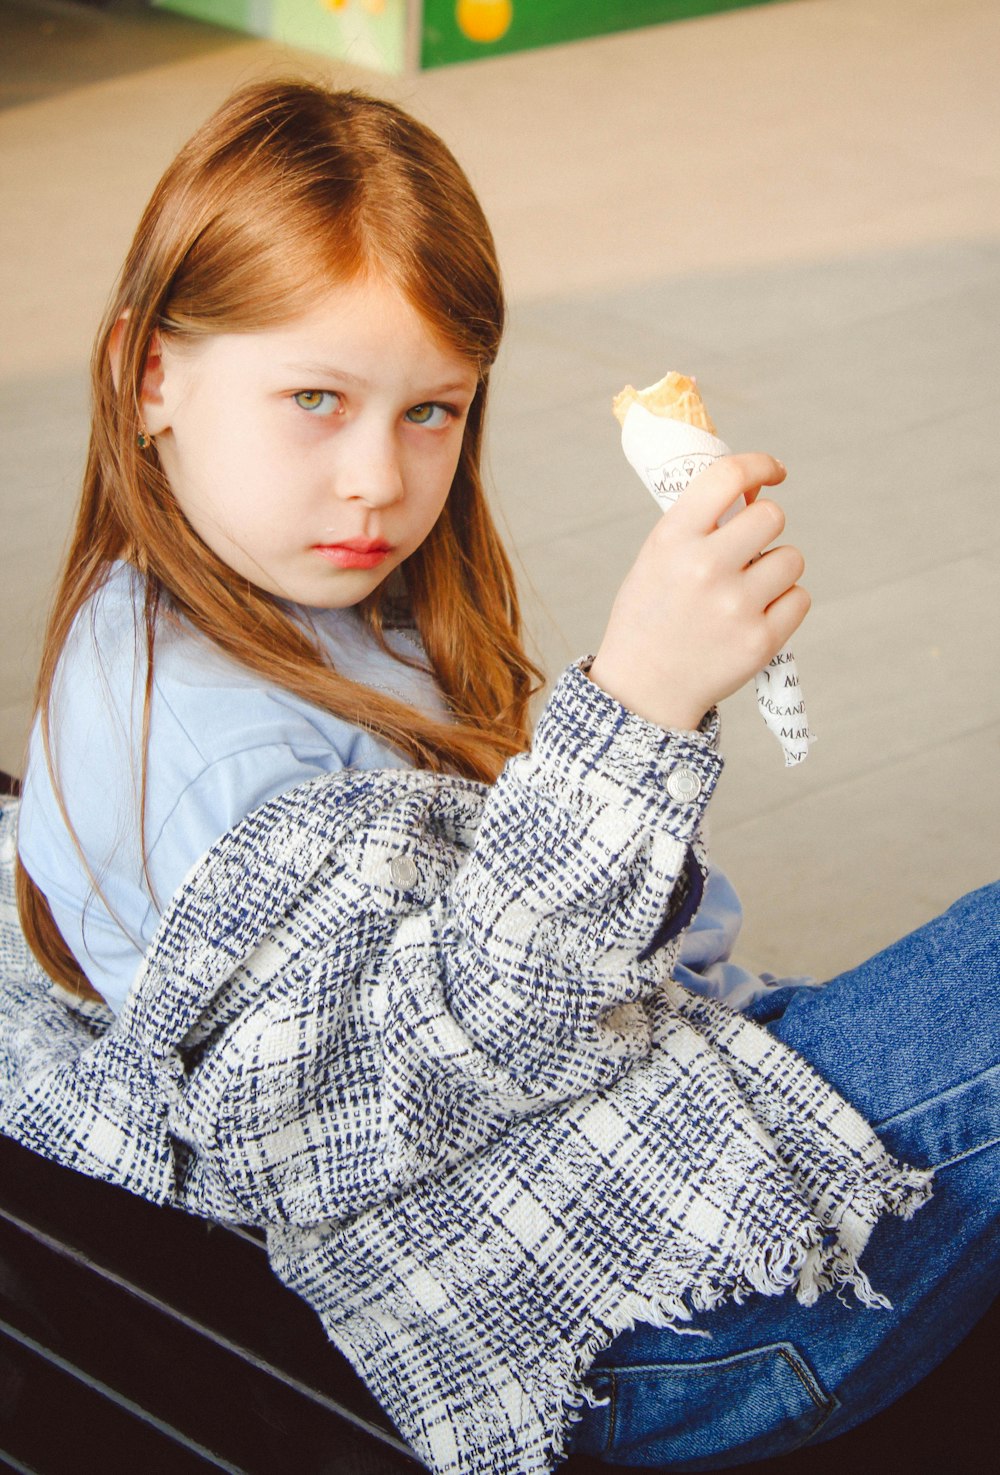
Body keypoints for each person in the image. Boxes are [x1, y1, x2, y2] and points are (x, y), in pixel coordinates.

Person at [3, 80, 996, 1475]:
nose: (375, 480)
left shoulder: (299, 605)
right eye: (314, 399)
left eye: (432, 412)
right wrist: (636, 708)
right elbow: (363, 1102)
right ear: (147, 372)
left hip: (637, 1129)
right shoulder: (217, 757)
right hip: (627, 1324)